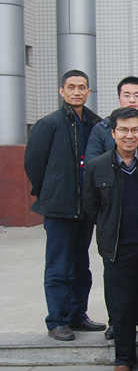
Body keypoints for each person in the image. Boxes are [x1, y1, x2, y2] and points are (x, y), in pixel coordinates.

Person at [83, 107, 138, 371]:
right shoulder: (97, 167)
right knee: (121, 306)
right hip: (118, 248)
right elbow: (91, 207)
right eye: (123, 130)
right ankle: (124, 358)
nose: (129, 135)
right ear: (113, 133)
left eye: (134, 130)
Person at [24, 69, 105, 341]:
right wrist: (49, 192)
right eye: (71, 87)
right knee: (59, 266)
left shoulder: (95, 124)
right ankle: (57, 320)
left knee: (81, 265)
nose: (77, 92)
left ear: (88, 91)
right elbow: (34, 164)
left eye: (82, 87)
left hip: (85, 209)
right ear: (62, 91)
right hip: (59, 208)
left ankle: (77, 315)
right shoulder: (49, 124)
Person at [85, 76, 138, 162]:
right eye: (127, 95)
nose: (132, 100)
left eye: (137, 95)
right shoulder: (102, 128)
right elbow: (92, 163)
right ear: (119, 98)